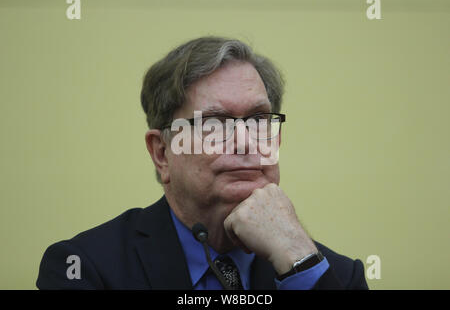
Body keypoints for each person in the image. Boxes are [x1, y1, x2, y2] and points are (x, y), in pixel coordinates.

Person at [36, 36, 368, 290]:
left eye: (258, 120)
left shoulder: (333, 275)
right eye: (215, 123)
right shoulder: (84, 268)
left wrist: (298, 260)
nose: (245, 140)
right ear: (162, 153)